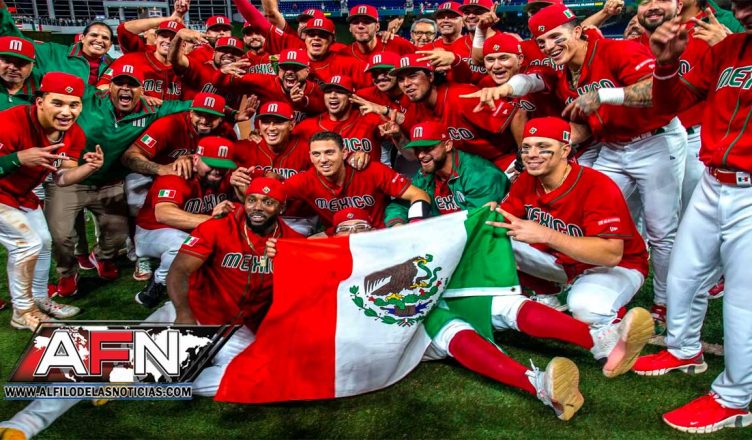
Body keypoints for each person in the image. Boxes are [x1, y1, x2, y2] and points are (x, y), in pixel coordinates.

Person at [0, 178, 303, 439]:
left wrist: (289, 259)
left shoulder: (292, 242)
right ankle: (24, 424)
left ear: (281, 208)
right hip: (193, 313)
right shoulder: (217, 228)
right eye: (252, 199)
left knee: (264, 378)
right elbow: (179, 271)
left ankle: (140, 379)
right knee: (104, 358)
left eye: (268, 202)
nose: (258, 207)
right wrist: (184, 313)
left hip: (237, 330)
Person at [464, 4, 688, 328]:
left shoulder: (616, 50)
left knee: (661, 230)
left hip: (654, 141)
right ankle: (598, 284)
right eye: (542, 42)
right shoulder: (562, 70)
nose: (549, 46)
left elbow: (657, 91)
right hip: (612, 145)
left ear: (578, 31)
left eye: (557, 37)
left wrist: (604, 96)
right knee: (592, 218)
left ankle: (665, 302)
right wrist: (503, 88)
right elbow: (531, 81)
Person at [631, 2, 752, 433]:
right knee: (684, 275)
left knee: (742, 302)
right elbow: (673, 103)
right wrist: (666, 65)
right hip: (714, 180)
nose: (743, 11)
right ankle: (684, 350)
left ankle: (736, 398)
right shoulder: (730, 49)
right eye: (739, 4)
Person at [45, 64, 194, 297]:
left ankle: (102, 257)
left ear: (142, 89)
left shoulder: (151, 109)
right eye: (119, 83)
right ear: (109, 87)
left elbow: (193, 105)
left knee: (117, 234)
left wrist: (235, 113)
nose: (125, 88)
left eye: (132, 84)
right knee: (60, 234)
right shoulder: (89, 99)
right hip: (70, 179)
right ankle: (67, 273)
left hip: (110, 182)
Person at [0, 72, 105, 330]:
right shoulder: (8, 123)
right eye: (57, 103)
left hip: (20, 193)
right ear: (40, 102)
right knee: (27, 243)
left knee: (44, 242)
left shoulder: (73, 134)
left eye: (74, 104)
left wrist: (89, 167)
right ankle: (23, 312)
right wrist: (18, 158)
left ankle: (39, 299)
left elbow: (62, 178)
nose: (67, 112)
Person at [134, 136, 238, 308]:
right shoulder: (177, 174)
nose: (217, 171)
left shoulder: (226, 177)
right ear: (195, 160)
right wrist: (213, 221)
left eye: (223, 166)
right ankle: (159, 281)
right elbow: (163, 214)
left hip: (193, 230)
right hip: (152, 232)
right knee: (184, 244)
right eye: (211, 164)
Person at [282, 131, 431, 230]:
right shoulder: (305, 180)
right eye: (316, 154)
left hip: (378, 236)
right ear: (310, 156)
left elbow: (419, 195)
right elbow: (272, 195)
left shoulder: (372, 170)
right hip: (340, 242)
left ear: (344, 153)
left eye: (329, 152)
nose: (323, 159)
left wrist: (414, 225)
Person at [384, 121, 508, 226]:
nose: (421, 155)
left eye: (427, 149)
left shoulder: (478, 174)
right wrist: (398, 225)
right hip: (451, 236)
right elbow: (398, 205)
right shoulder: (425, 174)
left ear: (448, 145)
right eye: (417, 150)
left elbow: (478, 223)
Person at [230, 101, 318, 235]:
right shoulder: (244, 148)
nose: (271, 128)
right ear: (259, 125)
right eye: (266, 122)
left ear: (292, 125)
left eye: (278, 122)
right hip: (255, 217)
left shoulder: (308, 149)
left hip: (298, 219)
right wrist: (234, 180)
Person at [0, 2, 114, 85]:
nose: (99, 40)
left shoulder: (113, 65)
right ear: (82, 38)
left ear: (109, 45)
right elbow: (15, 40)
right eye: (94, 35)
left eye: (105, 38)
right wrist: (3, 13)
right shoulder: (53, 52)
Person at [97, 20, 185, 101]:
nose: (168, 41)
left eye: (174, 38)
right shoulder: (131, 59)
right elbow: (101, 87)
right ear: (156, 38)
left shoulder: (186, 68)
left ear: (183, 44)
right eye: (164, 36)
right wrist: (137, 96)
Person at [345, 5, 415, 63]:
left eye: (366, 22)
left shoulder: (396, 43)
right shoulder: (344, 54)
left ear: (377, 27)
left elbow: (420, 55)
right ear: (350, 28)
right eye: (355, 22)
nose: (360, 26)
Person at [0, 36, 38, 110]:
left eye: (20, 62)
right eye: (7, 61)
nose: (12, 67)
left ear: (33, 65)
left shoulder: (44, 89)